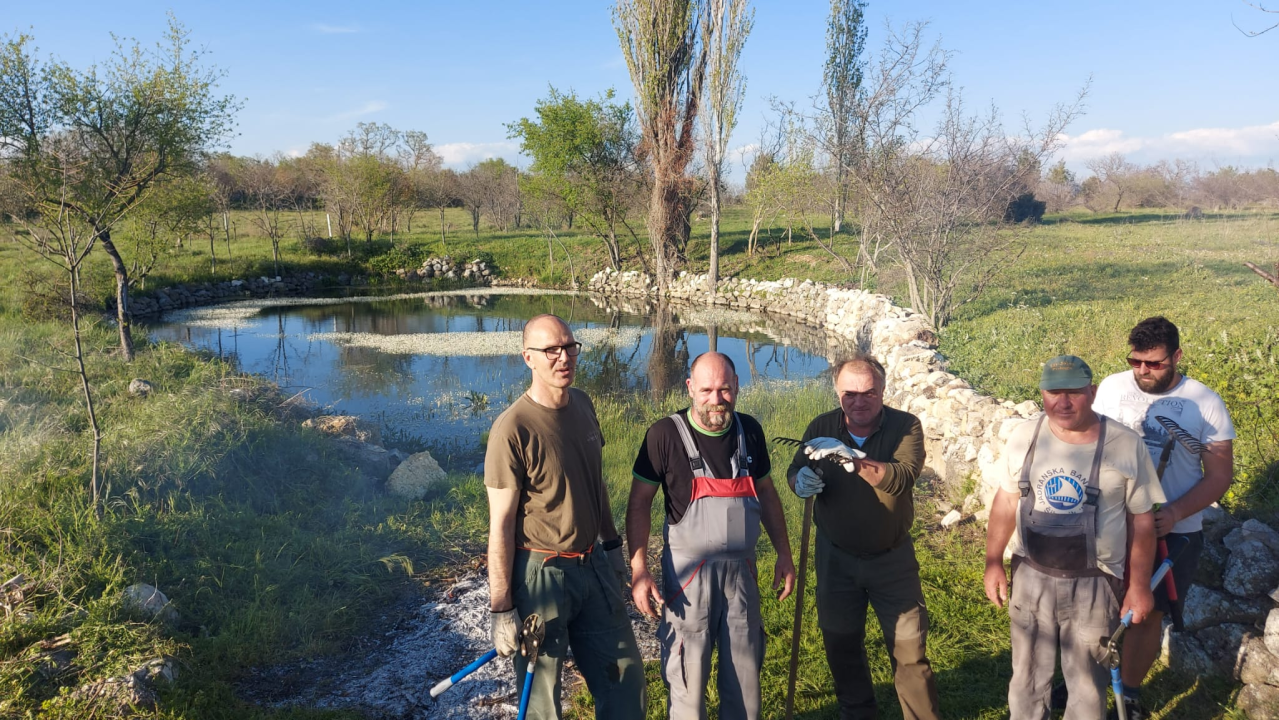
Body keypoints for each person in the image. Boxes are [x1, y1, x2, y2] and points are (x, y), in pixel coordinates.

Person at [984, 355, 1165, 720]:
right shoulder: (1024, 437)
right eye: (1053, 392)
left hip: (1096, 584)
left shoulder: (1125, 445)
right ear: (1042, 393)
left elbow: (1143, 522)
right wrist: (993, 562)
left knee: (1087, 688)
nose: (1062, 402)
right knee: (1026, 678)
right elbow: (1005, 500)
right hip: (1031, 576)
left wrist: (1140, 586)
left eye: (1074, 393)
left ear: (1092, 392)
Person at [484, 314, 646, 720]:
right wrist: (501, 607)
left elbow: (596, 483)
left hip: (593, 565)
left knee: (626, 681)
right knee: (542, 704)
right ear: (528, 358)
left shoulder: (584, 404)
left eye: (570, 346)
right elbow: (500, 524)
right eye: (551, 350)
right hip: (542, 576)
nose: (564, 357)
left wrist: (611, 547)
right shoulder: (512, 429)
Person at [626, 352, 797, 720]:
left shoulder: (749, 431)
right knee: (688, 679)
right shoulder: (664, 435)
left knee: (746, 677)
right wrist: (639, 569)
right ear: (690, 388)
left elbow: (766, 492)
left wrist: (784, 553)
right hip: (688, 582)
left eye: (724, 389)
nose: (716, 400)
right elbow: (639, 503)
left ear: (736, 387)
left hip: (742, 578)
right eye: (706, 390)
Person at [785, 354, 942, 720]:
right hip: (835, 557)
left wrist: (852, 459)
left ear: (883, 390)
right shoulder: (821, 425)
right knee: (840, 643)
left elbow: (901, 478)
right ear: (837, 392)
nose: (858, 401)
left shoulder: (906, 427)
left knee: (909, 651)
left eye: (868, 393)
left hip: (892, 559)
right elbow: (796, 467)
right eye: (849, 394)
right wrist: (799, 483)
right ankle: (857, 712)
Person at [1093, 317, 1235, 720]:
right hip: (1111, 524)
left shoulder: (1205, 403)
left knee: (1147, 613)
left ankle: (1131, 695)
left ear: (1177, 357)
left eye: (1154, 364)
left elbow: (1220, 476)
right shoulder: (1112, 387)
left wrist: (1174, 512)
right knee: (1095, 606)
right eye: (1135, 361)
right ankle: (1085, 679)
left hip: (1174, 530)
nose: (1142, 371)